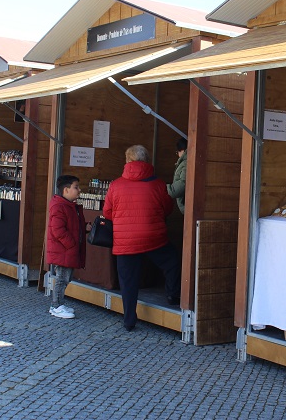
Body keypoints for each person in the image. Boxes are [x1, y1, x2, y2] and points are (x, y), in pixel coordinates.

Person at [103, 144, 181, 331]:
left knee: (128, 281)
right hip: (153, 237)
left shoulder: (115, 185)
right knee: (172, 261)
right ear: (147, 161)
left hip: (126, 242)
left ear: (128, 161)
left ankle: (129, 320)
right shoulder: (158, 184)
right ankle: (172, 295)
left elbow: (107, 213)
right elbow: (167, 209)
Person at [45, 175, 87, 319]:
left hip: (66, 251)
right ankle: (56, 305)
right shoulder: (59, 206)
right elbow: (58, 230)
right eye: (76, 187)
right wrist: (72, 244)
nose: (79, 190)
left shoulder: (69, 206)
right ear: (66, 189)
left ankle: (59, 303)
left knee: (65, 278)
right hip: (63, 251)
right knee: (62, 279)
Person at [167, 138, 187, 214]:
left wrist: (168, 190)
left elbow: (183, 183)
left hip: (187, 204)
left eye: (177, 152)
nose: (178, 155)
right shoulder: (186, 162)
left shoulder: (185, 163)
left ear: (182, 150)